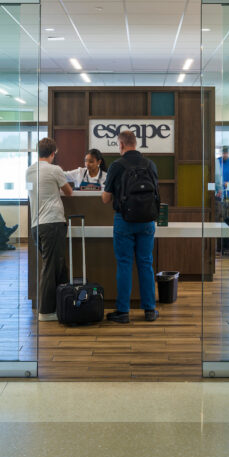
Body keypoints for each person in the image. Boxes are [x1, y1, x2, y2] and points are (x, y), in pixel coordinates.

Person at [101, 129, 160, 323]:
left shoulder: (117, 166)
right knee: (146, 263)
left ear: (121, 145)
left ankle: (123, 311)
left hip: (124, 221)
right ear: (136, 143)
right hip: (147, 221)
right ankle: (150, 310)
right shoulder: (150, 164)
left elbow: (106, 199)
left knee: (125, 264)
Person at [25, 137, 73, 322]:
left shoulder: (29, 171)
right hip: (52, 223)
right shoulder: (55, 170)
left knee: (58, 267)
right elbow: (69, 191)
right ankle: (45, 311)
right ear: (53, 153)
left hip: (37, 225)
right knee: (51, 267)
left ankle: (62, 305)